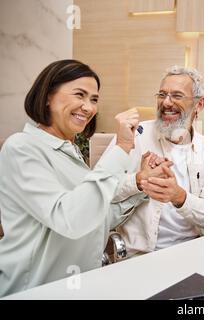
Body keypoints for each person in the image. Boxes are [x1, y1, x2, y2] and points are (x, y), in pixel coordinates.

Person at [0, 60, 150, 297]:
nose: (88, 108)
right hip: (33, 290)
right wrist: (120, 148)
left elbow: (95, 216)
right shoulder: (21, 147)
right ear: (48, 96)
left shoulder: (71, 151)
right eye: (79, 95)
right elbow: (69, 219)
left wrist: (141, 185)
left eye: (94, 99)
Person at [109, 65, 204, 255]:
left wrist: (179, 196)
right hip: (141, 255)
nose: (166, 103)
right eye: (162, 95)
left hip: (192, 251)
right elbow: (99, 190)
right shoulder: (134, 135)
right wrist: (139, 180)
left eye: (177, 96)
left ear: (199, 104)